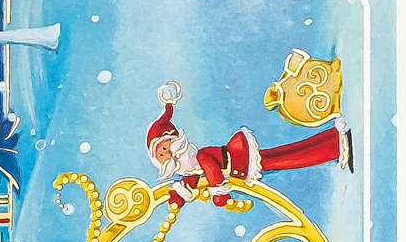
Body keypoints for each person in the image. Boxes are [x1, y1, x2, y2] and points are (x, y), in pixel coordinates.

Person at [146, 81, 352, 210]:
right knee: (286, 155)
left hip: (240, 160)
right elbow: (191, 178)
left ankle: (333, 147)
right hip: (240, 161)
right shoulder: (190, 166)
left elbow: (212, 171)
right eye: (162, 156)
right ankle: (331, 141)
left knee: (287, 159)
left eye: (164, 149)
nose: (168, 154)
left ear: (171, 140)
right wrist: (179, 195)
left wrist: (219, 194)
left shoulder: (199, 157)